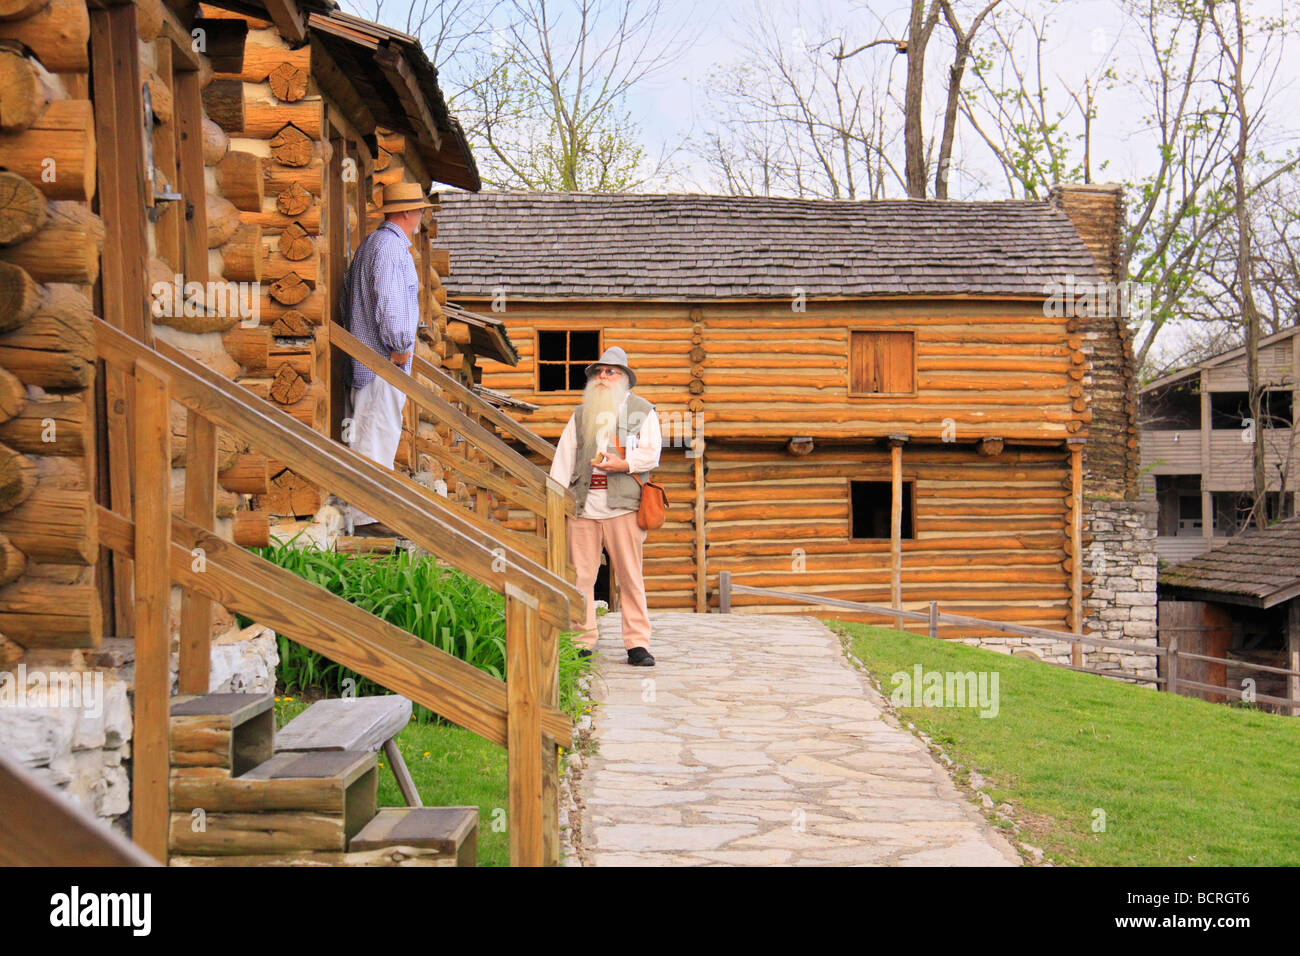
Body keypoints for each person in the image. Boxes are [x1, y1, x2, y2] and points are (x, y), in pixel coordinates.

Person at [549, 347, 662, 666]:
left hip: (624, 507)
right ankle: (582, 640)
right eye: (598, 372)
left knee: (630, 576)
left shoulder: (642, 410)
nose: (602, 377)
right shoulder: (581, 414)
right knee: (582, 577)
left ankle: (637, 644)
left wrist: (624, 463)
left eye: (610, 372)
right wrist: (557, 498)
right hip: (584, 506)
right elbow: (564, 458)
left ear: (625, 379)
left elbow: (652, 454)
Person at [339, 182, 432, 535]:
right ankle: (367, 518)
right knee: (375, 434)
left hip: (369, 361)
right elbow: (391, 307)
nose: (422, 216)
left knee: (370, 431)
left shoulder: (374, 245)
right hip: (382, 362)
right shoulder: (392, 248)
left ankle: (366, 514)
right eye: (420, 210)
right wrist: (400, 348)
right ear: (407, 212)